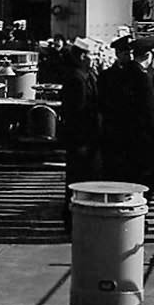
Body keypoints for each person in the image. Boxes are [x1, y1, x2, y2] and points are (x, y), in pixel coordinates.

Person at [98, 37, 154, 199]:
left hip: (120, 136)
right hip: (135, 137)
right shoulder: (140, 77)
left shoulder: (123, 74)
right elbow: (149, 111)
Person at [60, 37, 101, 230]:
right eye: (91, 54)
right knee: (77, 179)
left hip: (87, 138)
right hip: (81, 138)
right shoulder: (76, 79)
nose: (93, 58)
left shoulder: (86, 75)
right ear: (83, 56)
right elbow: (78, 111)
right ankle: (72, 219)